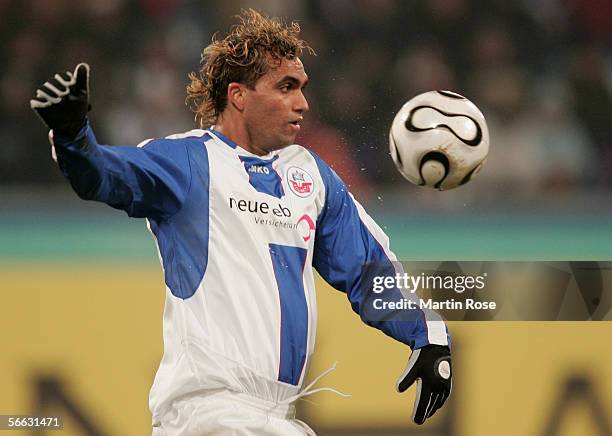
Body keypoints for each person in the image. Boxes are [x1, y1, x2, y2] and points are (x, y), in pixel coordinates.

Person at [30, 9, 451, 435]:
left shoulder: (310, 176)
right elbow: (103, 176)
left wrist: (427, 335)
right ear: (239, 95)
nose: (302, 102)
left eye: (302, 88)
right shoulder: (189, 162)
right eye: (285, 87)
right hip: (209, 413)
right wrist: (73, 136)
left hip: (272, 416)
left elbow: (367, 271)